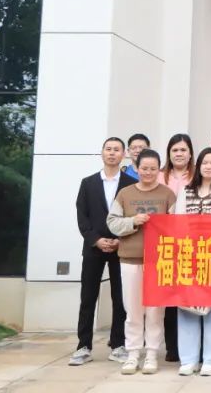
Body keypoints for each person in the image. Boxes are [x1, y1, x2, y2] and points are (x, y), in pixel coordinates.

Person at [106, 149, 177, 375]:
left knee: (156, 311)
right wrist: (133, 221)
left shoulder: (167, 194)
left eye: (153, 169)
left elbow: (177, 227)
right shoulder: (125, 194)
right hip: (130, 259)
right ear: (136, 168)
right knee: (133, 309)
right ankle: (133, 353)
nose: (148, 172)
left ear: (159, 170)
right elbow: (112, 223)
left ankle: (152, 353)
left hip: (158, 262)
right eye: (144, 168)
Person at [69, 137, 136, 366]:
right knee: (88, 297)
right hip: (93, 247)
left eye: (116, 150)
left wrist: (119, 239)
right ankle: (83, 346)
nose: (112, 153)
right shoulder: (88, 183)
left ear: (123, 155)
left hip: (121, 246)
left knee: (120, 297)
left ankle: (118, 345)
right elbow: (82, 216)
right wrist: (96, 240)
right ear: (102, 153)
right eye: (108, 149)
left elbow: (131, 217)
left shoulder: (130, 184)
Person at [172, 147, 211, 377]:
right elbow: (179, 223)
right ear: (198, 166)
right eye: (204, 163)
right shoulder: (185, 191)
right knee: (187, 307)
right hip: (188, 256)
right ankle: (188, 359)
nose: (208, 167)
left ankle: (210, 359)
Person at [161, 133, 194, 362]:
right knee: (170, 298)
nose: (179, 154)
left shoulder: (198, 176)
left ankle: (192, 346)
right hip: (166, 244)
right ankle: (172, 347)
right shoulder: (160, 177)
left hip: (193, 245)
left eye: (183, 150)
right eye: (175, 150)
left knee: (190, 296)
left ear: (190, 153)